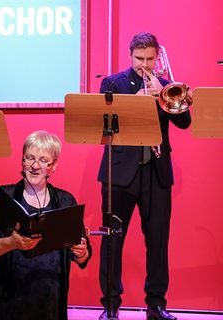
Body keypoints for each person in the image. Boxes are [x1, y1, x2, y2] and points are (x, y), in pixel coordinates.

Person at [97, 32, 191, 320]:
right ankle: (111, 306)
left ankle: (156, 305)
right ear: (130, 56)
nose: (145, 65)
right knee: (113, 240)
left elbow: (184, 122)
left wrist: (164, 95)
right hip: (120, 172)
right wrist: (135, 102)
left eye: (150, 59)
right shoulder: (113, 83)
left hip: (156, 171)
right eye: (140, 59)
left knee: (158, 241)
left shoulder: (166, 86)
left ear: (157, 57)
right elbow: (103, 125)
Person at [0, 131, 91, 320]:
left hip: (49, 300)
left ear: (53, 166)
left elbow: (81, 253)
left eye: (43, 160)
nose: (35, 166)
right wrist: (12, 243)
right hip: (9, 298)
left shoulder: (65, 201)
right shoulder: (4, 197)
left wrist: (82, 253)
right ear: (22, 161)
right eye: (30, 158)